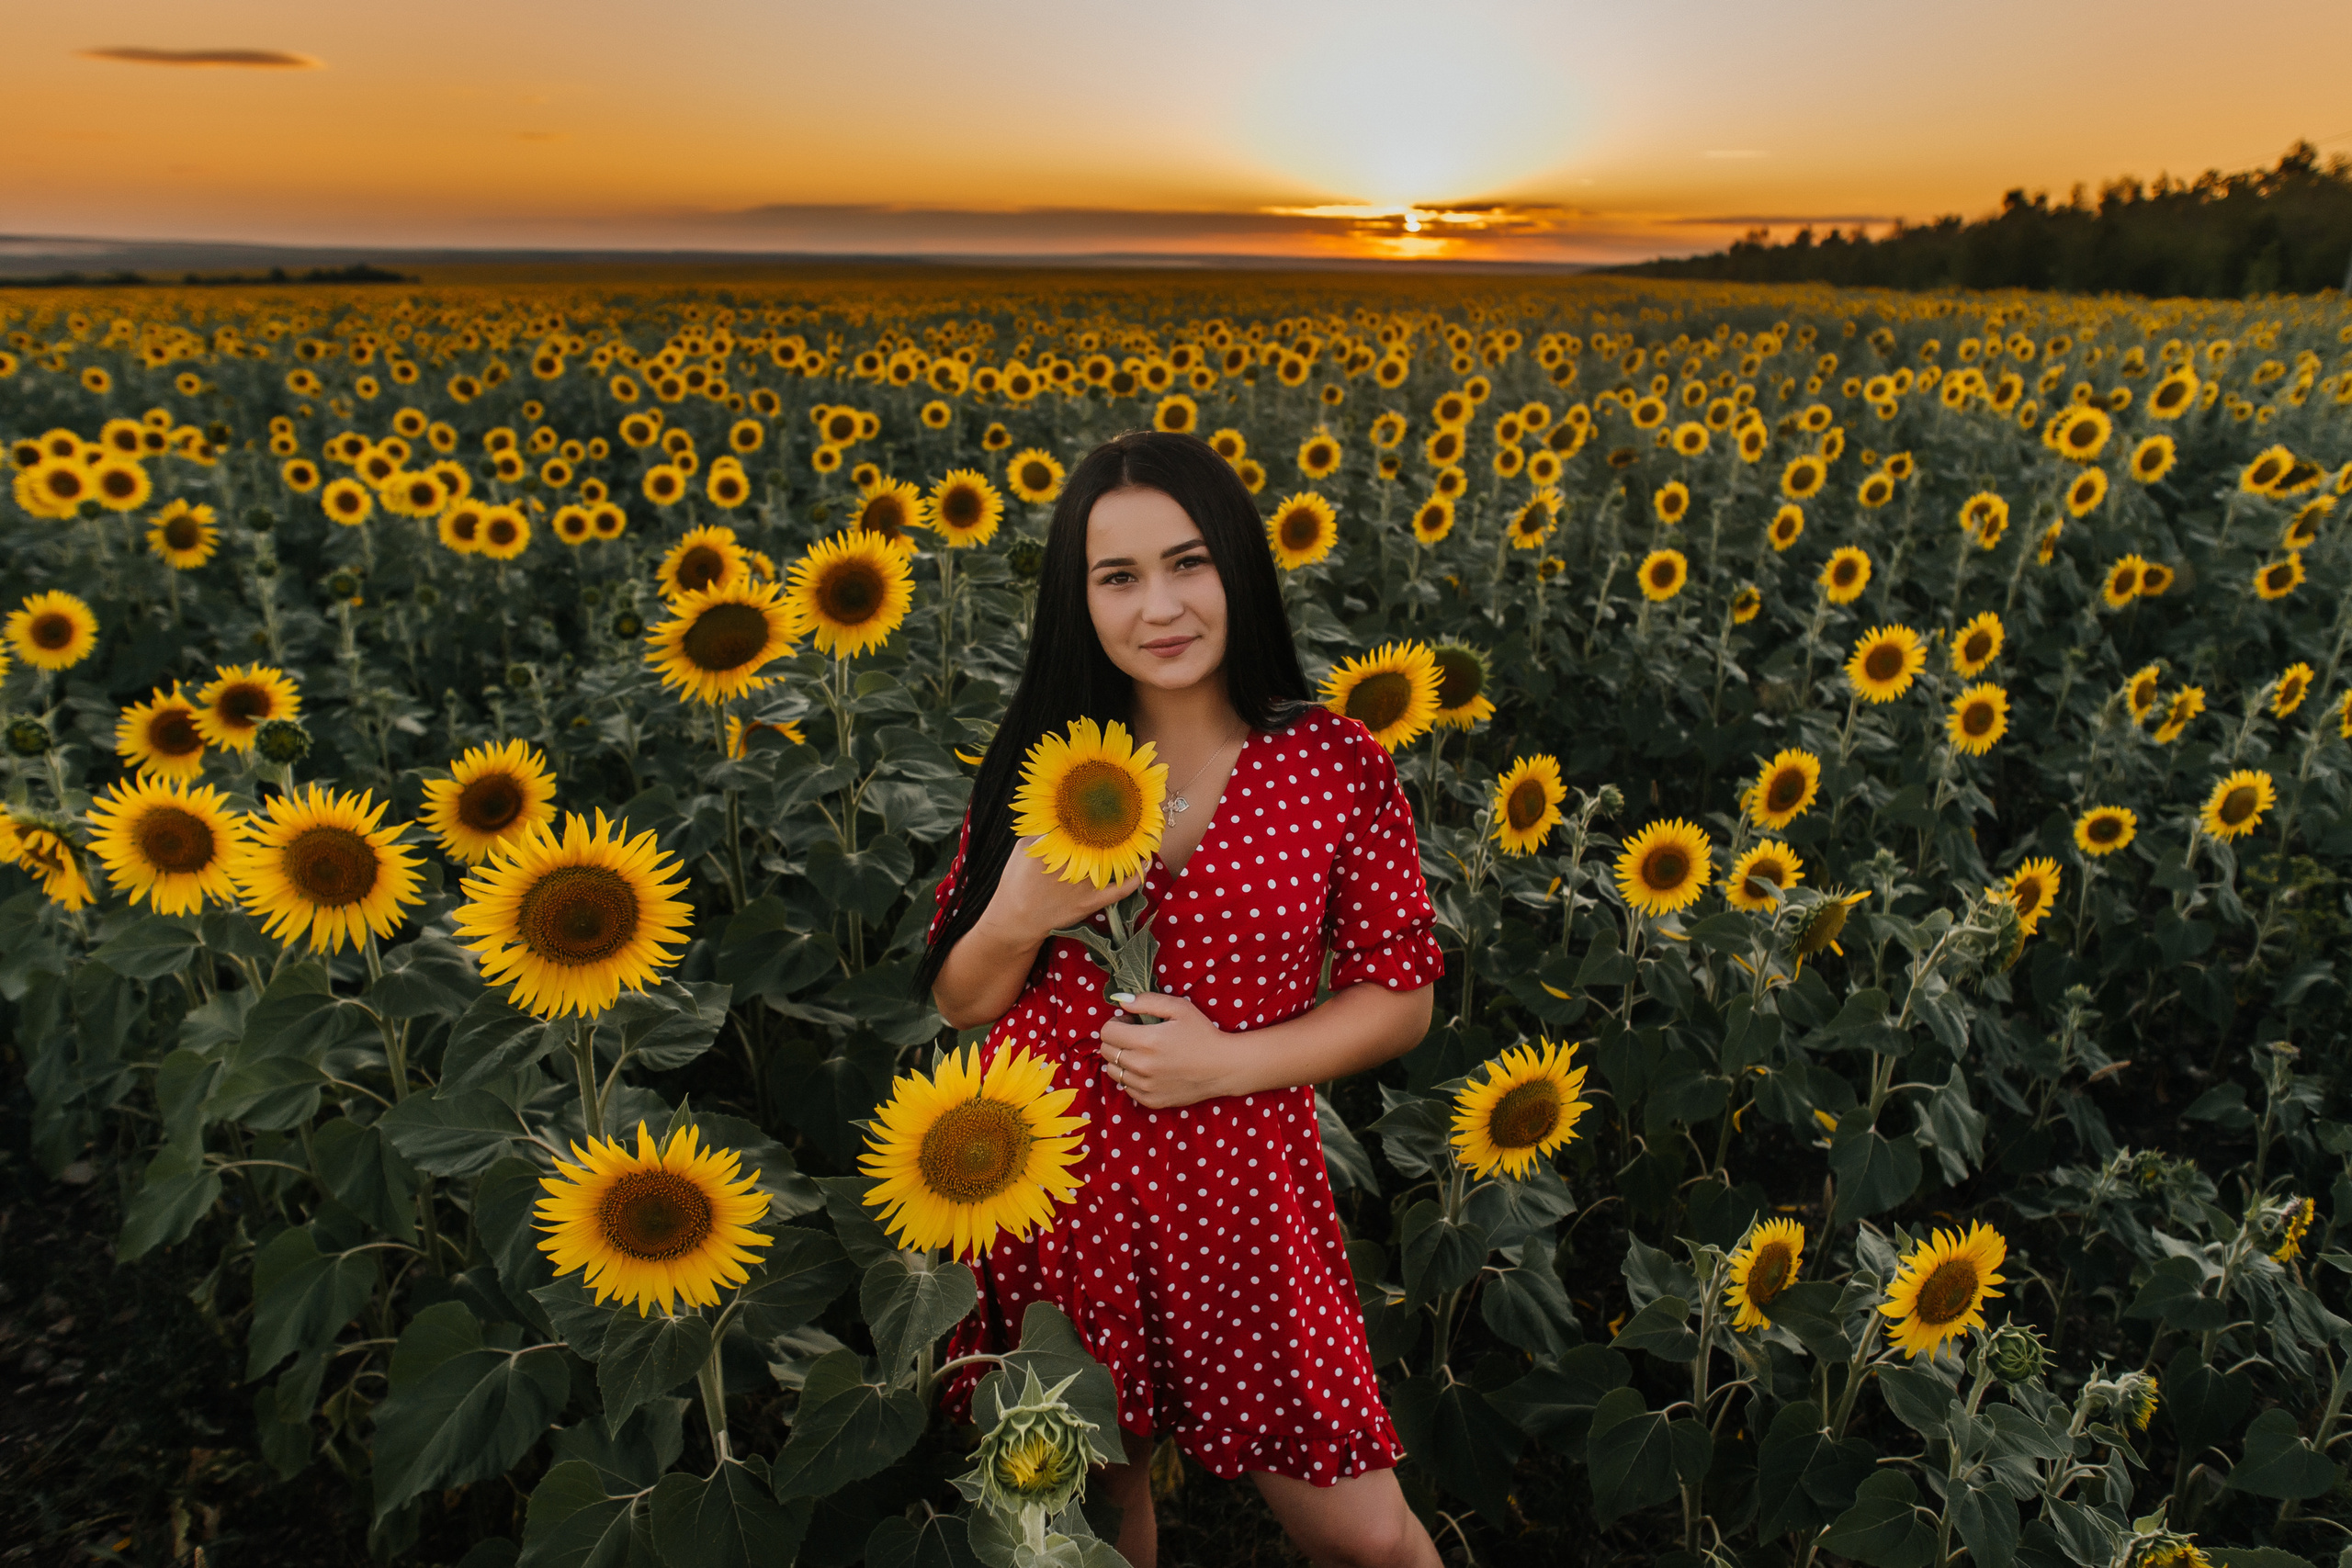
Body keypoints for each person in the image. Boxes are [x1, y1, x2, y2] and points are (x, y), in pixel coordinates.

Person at [914, 430, 1446, 1568]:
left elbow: (1398, 994)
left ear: (1238, 566)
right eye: (1118, 576)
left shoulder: (1331, 763)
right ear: (1079, 601)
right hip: (1061, 1189)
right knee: (1100, 1511)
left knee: (1367, 1537)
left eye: (1188, 562)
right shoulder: (1047, 765)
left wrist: (1227, 1064)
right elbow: (962, 1000)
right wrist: (1015, 914)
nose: (1159, 606)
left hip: (1241, 1192)